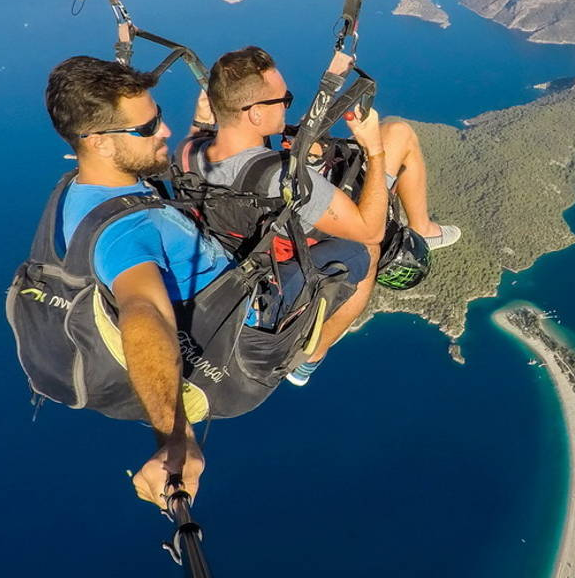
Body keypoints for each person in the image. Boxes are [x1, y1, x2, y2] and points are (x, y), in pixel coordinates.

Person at [43, 55, 373, 507]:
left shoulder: (85, 191)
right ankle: (308, 358)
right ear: (98, 142)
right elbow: (144, 313)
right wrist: (175, 438)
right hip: (242, 340)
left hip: (213, 286)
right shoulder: (126, 234)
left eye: (157, 118)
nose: (163, 130)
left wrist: (201, 129)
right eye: (147, 129)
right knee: (365, 252)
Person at [183, 46, 460, 384]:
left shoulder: (191, 152)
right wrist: (373, 149)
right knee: (369, 245)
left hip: (251, 239)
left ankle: (424, 228)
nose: (287, 104)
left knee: (364, 142)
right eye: (282, 100)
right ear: (254, 115)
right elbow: (369, 230)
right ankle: (312, 355)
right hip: (296, 246)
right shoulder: (282, 177)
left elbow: (210, 141)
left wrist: (201, 122)